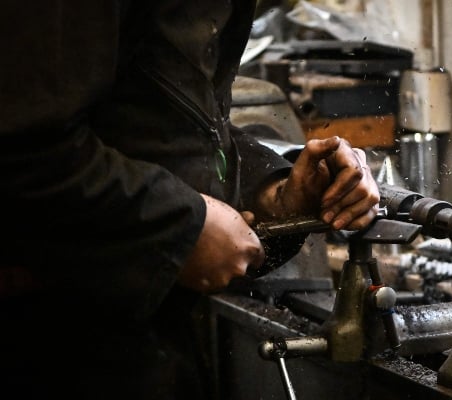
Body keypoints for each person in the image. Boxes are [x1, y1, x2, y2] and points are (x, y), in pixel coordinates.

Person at [0, 1, 379, 399]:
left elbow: (161, 125)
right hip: (47, 340)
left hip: (142, 332)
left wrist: (277, 193)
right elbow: (23, 147)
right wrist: (181, 224)